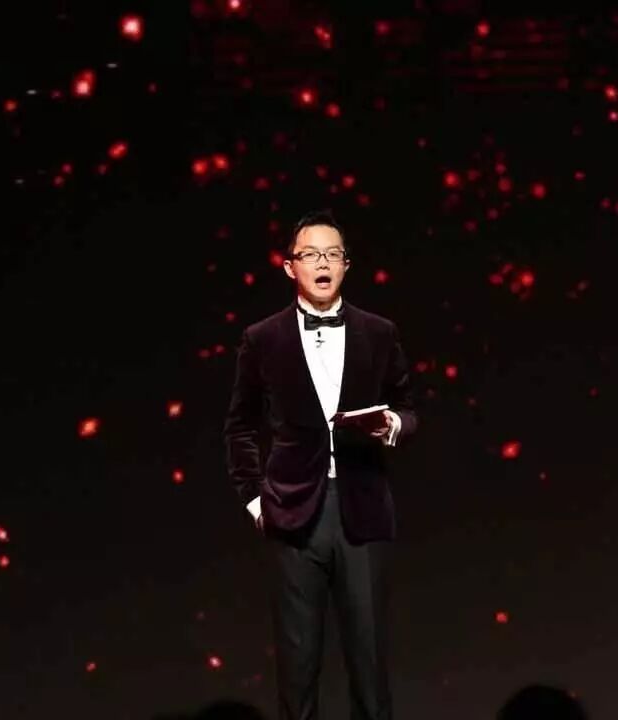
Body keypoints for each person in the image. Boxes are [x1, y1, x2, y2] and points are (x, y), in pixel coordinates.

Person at [223, 209, 418, 720]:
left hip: (362, 510)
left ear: (347, 264)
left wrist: (393, 423)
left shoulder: (379, 332)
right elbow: (240, 426)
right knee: (297, 670)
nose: (323, 263)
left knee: (370, 671)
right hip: (292, 514)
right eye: (311, 254)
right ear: (291, 266)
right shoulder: (262, 338)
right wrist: (255, 501)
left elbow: (410, 406)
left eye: (333, 254)